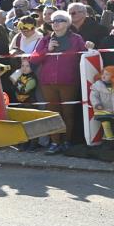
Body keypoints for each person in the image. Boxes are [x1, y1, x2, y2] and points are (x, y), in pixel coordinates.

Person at [29, 10, 86, 155]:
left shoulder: (76, 39)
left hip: (69, 81)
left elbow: (85, 55)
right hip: (48, 82)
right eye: (53, 20)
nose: (55, 23)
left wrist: (90, 48)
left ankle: (66, 141)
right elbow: (33, 59)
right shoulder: (45, 40)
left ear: (67, 23)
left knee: (68, 112)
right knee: (53, 113)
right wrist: (46, 50)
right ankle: (55, 143)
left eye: (60, 20)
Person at [89, 65, 114, 145]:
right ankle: (110, 139)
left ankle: (105, 139)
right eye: (103, 74)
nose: (103, 76)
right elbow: (93, 96)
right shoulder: (97, 85)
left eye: (107, 74)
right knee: (105, 122)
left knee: (112, 124)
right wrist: (97, 104)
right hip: (101, 109)